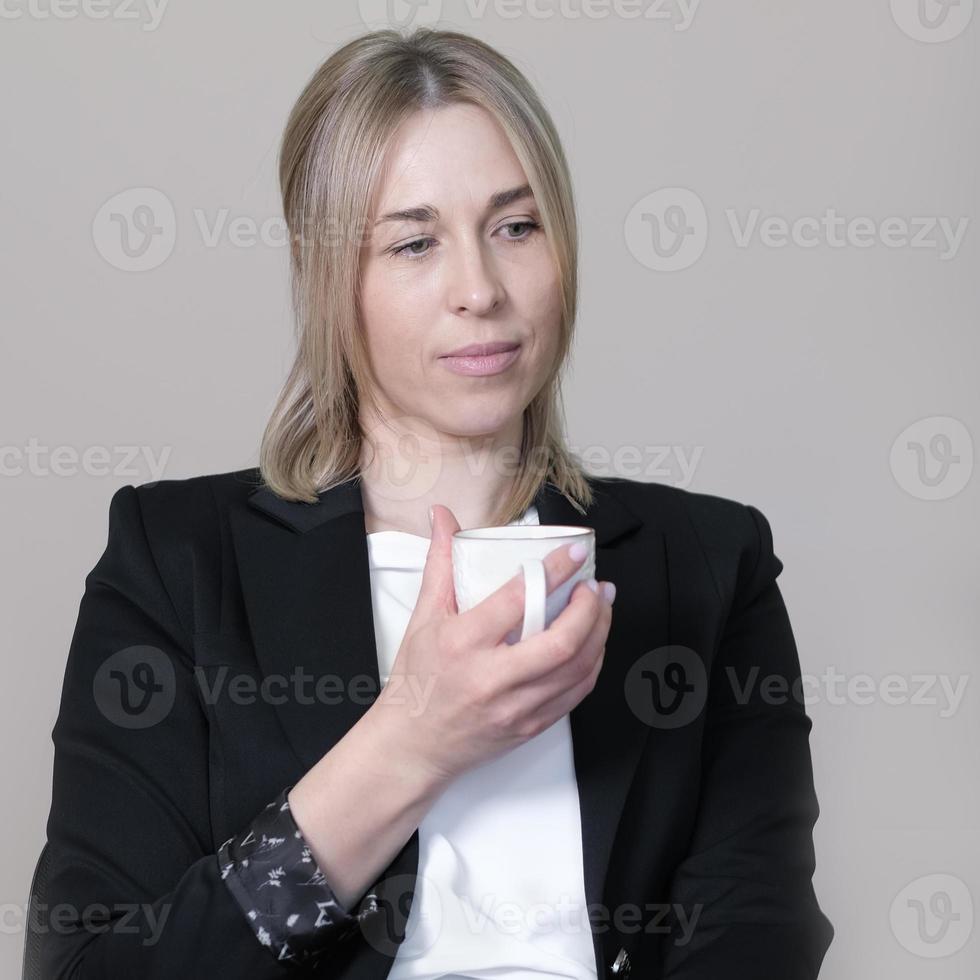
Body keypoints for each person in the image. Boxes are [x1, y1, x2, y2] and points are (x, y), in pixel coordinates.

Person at [36, 27, 833, 980]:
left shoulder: (709, 562)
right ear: (335, 280)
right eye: (414, 242)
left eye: (517, 227)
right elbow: (87, 968)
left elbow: (759, 938)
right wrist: (413, 740)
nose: (480, 290)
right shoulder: (176, 559)